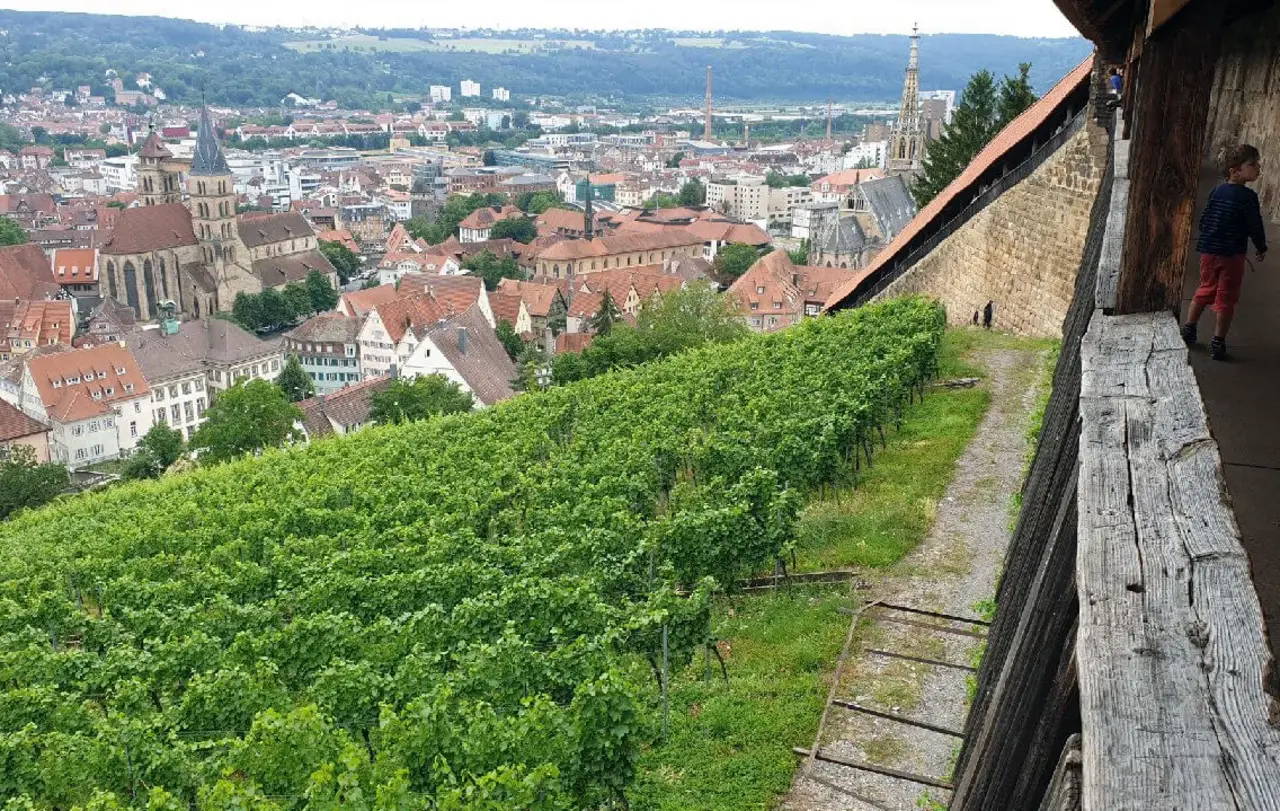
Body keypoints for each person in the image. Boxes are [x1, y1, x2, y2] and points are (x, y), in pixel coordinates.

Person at [1181, 144, 1267, 361]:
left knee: (1205, 288)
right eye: (1252, 164)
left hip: (1209, 251)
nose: (1258, 168)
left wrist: (1207, 237)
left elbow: (1205, 218)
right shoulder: (1248, 197)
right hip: (1232, 255)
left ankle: (1189, 328)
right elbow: (1254, 226)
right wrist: (1260, 246)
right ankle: (1218, 342)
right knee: (1226, 296)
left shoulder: (1217, 191)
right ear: (1235, 170)